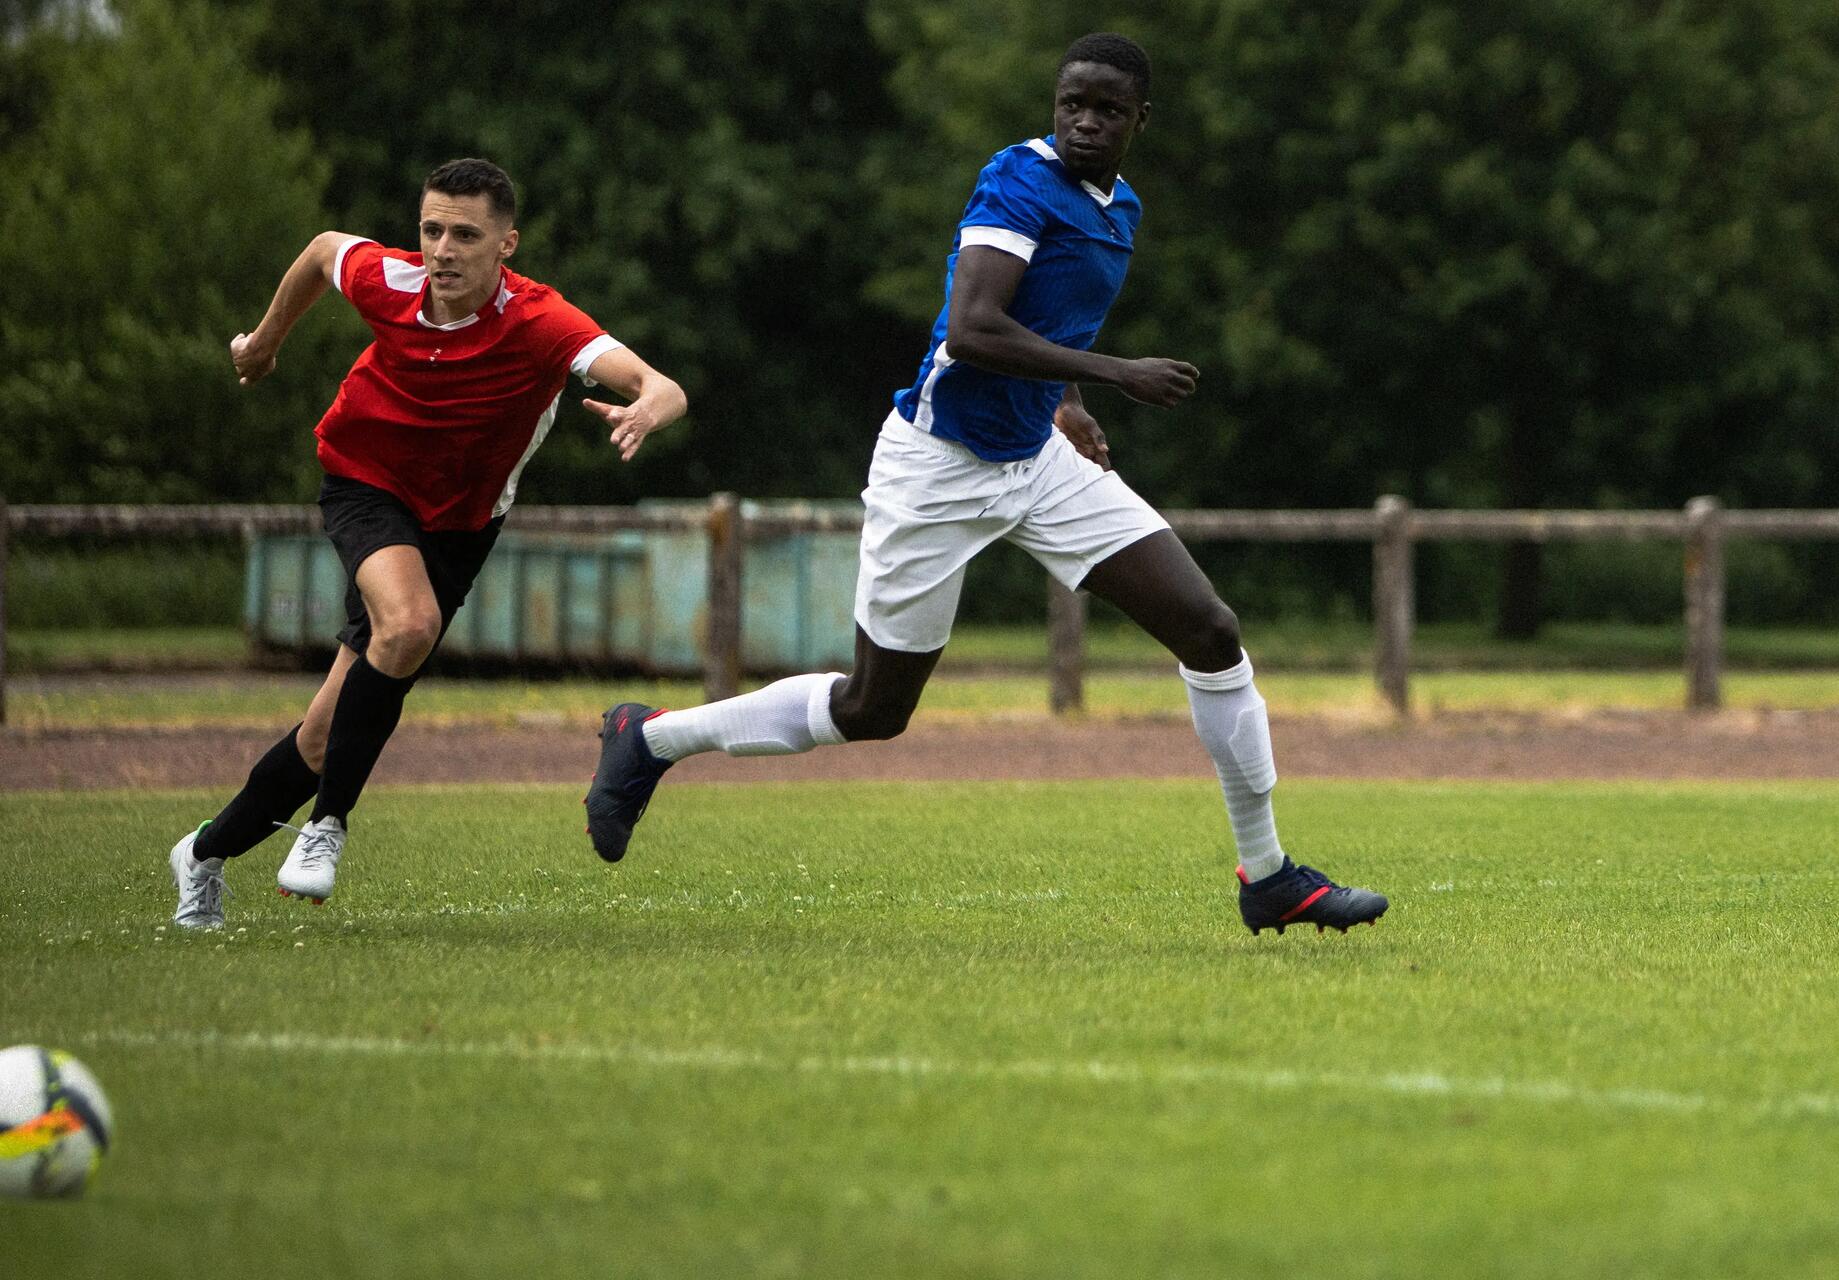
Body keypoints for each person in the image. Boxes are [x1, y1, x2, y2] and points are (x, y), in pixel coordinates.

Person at [586, 35, 1386, 937]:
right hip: (938, 465)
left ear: (1140, 122)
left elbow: (1045, 319)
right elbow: (972, 329)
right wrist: (1116, 372)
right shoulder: (1015, 180)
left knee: (1210, 631)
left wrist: (1068, 401)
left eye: (1108, 110)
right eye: (1072, 103)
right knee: (873, 708)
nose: (1086, 121)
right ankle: (649, 739)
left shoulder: (1120, 207)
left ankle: (1269, 874)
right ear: (1055, 104)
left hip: (1037, 465)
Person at [169, 158, 686, 929]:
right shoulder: (393, 281)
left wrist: (645, 409)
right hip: (365, 480)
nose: (443, 249)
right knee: (408, 625)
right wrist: (266, 341)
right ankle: (327, 829)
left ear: (506, 244)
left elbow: (662, 385)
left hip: (460, 526)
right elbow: (321, 251)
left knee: (322, 735)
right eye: (432, 229)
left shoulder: (541, 322)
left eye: (466, 235)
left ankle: (204, 853)